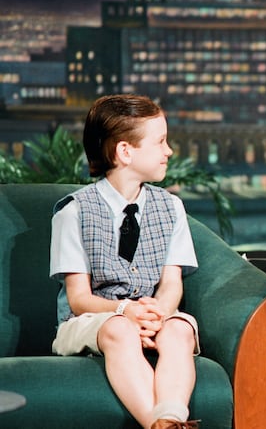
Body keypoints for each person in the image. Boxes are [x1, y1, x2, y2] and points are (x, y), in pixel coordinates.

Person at [50, 94, 200, 429]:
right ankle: (159, 424)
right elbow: (78, 299)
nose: (169, 151)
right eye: (160, 141)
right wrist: (124, 312)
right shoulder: (74, 212)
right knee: (119, 330)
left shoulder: (171, 207)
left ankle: (170, 418)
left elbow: (171, 283)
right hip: (91, 322)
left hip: (150, 315)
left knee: (179, 330)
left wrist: (156, 315)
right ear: (125, 152)